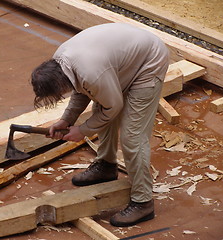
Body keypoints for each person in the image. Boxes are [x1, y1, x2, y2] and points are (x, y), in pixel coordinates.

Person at [31, 23, 169, 227]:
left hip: (148, 62)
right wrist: (66, 120)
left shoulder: (91, 72)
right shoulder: (61, 61)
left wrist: (83, 131)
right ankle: (106, 166)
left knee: (132, 137)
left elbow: (113, 108)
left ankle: (143, 202)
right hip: (121, 61)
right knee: (99, 112)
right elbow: (80, 88)